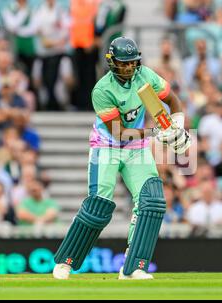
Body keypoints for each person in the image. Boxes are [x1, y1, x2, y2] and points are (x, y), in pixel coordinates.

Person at [52, 37, 191, 280]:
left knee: (153, 201)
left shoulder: (145, 75)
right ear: (112, 62)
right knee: (99, 204)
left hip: (136, 146)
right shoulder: (102, 90)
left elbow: (173, 101)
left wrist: (176, 127)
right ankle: (65, 262)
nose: (128, 68)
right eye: (122, 63)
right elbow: (119, 132)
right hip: (107, 146)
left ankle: (133, 266)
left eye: (131, 63)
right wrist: (158, 133)